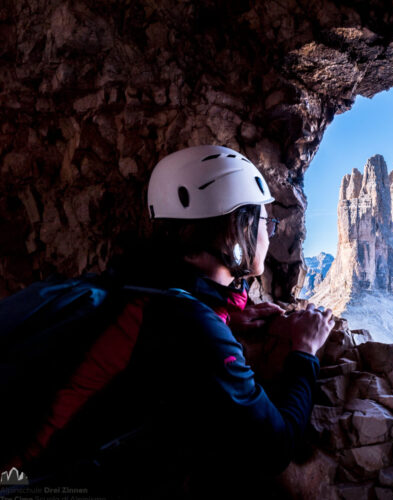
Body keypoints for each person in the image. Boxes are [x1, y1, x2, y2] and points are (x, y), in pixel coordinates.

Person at [11, 145, 334, 498]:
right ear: (236, 227)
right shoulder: (191, 324)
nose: (270, 233)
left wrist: (226, 320)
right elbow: (275, 448)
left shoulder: (140, 280)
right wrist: (305, 351)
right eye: (263, 220)